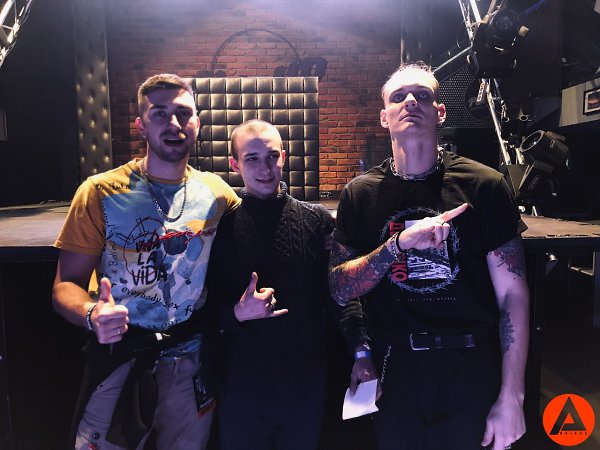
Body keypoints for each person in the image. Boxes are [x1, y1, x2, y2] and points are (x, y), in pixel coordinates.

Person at [329, 62, 529, 450]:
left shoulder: (484, 186)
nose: (410, 101)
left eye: (422, 95)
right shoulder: (360, 194)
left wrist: (512, 396)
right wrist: (398, 245)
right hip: (396, 367)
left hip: (471, 366)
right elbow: (340, 287)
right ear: (384, 117)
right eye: (398, 97)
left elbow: (512, 295)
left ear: (440, 112)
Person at [52, 73, 239, 450]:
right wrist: (92, 314)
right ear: (141, 125)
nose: (173, 124)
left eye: (183, 113)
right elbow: (65, 285)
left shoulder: (217, 194)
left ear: (197, 123)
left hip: (189, 359)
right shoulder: (100, 192)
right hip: (120, 356)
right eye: (159, 113)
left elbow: (262, 225)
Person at [205, 119, 335, 450]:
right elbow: (205, 311)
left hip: (304, 386)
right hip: (243, 389)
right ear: (234, 164)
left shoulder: (317, 221)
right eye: (252, 158)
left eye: (272, 156)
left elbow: (336, 297)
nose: (264, 168)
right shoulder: (221, 230)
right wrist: (238, 312)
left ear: (284, 157)